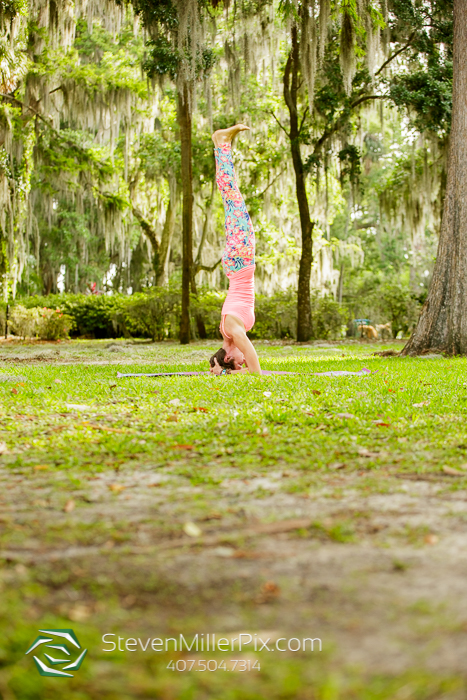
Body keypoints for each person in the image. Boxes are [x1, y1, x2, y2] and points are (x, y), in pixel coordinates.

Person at [209, 124, 262, 376]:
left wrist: (248, 374)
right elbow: (247, 364)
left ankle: (222, 144)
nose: (242, 359)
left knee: (232, 196)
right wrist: (226, 371)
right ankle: (222, 145)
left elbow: (254, 364)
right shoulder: (229, 331)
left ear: (228, 355)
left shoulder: (231, 328)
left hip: (239, 261)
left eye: (236, 361)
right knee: (231, 198)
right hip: (238, 263)